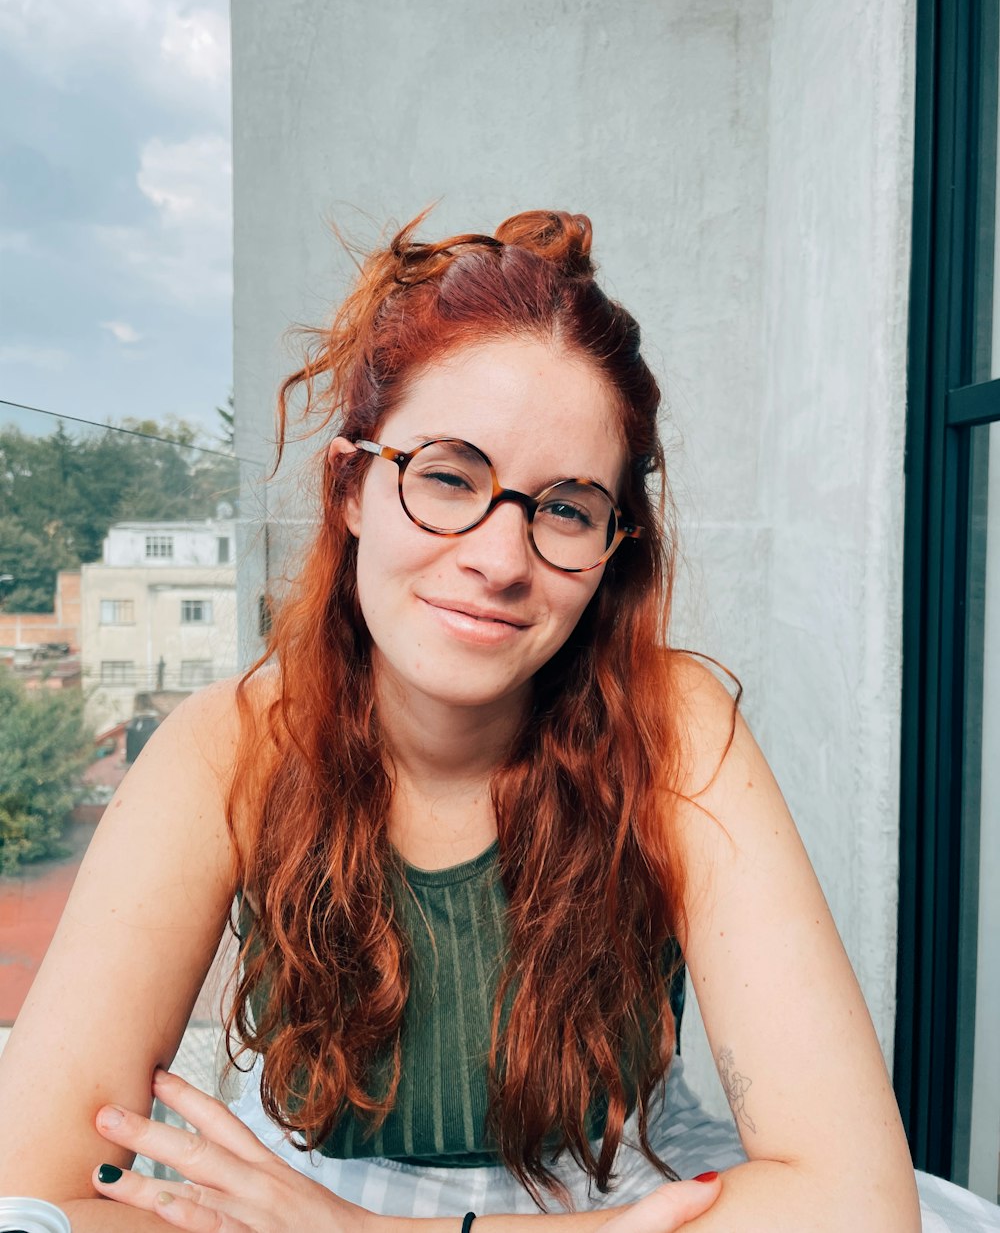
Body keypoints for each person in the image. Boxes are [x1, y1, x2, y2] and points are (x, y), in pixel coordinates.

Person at [0, 211, 924, 1232]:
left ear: (612, 547)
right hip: (289, 1203)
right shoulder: (233, 741)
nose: (498, 556)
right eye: (447, 476)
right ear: (352, 487)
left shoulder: (675, 724)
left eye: (566, 508)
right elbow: (34, 1188)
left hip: (619, 1201)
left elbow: (854, 1203)